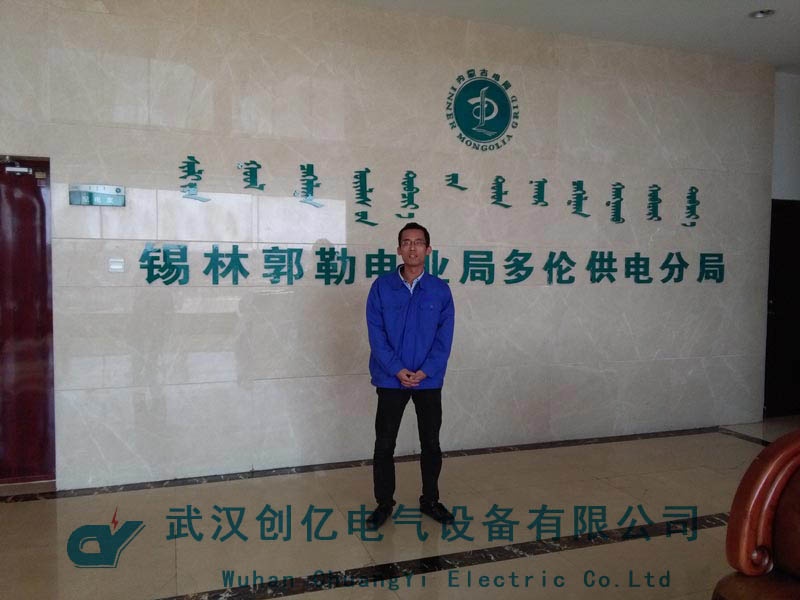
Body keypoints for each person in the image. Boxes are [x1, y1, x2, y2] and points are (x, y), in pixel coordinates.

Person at [365, 222, 456, 530]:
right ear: (399, 249)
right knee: (384, 444)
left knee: (430, 442)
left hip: (428, 380)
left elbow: (444, 339)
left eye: (418, 242)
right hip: (390, 379)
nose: (412, 247)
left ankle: (430, 500)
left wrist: (425, 370)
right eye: (406, 242)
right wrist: (397, 369)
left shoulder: (440, 290)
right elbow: (376, 335)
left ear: (428, 250)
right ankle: (383, 503)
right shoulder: (381, 287)